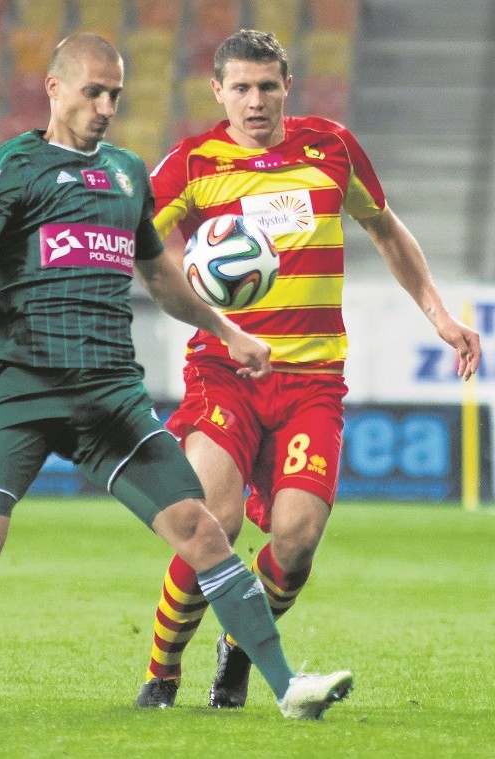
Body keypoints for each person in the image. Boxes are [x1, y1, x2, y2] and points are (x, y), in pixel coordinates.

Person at [0, 32, 353, 721]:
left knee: (205, 530)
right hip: (23, 385)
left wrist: (229, 331)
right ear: (54, 89)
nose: (108, 105)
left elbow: (162, 276)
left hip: (110, 392)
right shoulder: (15, 165)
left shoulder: (125, 173)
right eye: (94, 91)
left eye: (116, 93)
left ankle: (287, 685)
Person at [134, 29, 481, 710]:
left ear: (287, 86)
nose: (255, 101)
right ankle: (162, 668)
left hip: (313, 384)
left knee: (296, 541)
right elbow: (138, 243)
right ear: (218, 93)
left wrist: (438, 314)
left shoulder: (332, 148)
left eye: (267, 86)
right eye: (241, 88)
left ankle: (237, 647)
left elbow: (385, 228)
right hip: (225, 372)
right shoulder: (192, 163)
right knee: (217, 519)